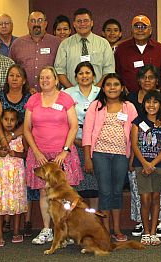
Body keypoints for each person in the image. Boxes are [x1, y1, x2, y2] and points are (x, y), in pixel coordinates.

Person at [23, 66, 83, 245]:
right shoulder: (33, 100)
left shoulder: (66, 99)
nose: (45, 80)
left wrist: (65, 150)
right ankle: (47, 230)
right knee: (44, 192)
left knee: (64, 193)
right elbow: (27, 129)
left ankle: (65, 230)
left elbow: (74, 126)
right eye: (42, 78)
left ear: (56, 80)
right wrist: (36, 151)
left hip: (62, 155)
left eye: (48, 77)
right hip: (40, 155)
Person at [128, 65, 161, 239]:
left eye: (151, 77)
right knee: (141, 195)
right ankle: (142, 224)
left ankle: (156, 224)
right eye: (144, 77)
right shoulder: (132, 100)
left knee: (158, 194)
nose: (147, 80)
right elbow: (133, 140)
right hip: (140, 160)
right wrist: (141, 162)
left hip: (159, 160)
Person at [82, 73, 137, 242]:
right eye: (108, 85)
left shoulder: (129, 107)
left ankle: (117, 229)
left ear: (122, 88)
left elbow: (136, 135)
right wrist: (87, 158)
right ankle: (105, 230)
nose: (112, 88)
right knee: (104, 191)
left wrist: (132, 158)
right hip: (100, 154)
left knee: (117, 191)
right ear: (103, 88)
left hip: (121, 155)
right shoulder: (96, 106)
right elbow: (86, 133)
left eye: (116, 84)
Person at [0, 65, 33, 236]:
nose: (14, 78)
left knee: (20, 186)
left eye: (18, 76)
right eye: (11, 75)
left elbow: (28, 122)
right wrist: (2, 139)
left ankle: (26, 222)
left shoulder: (30, 96)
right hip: (2, 138)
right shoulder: (0, 95)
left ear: (24, 80)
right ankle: (6, 222)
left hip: (24, 136)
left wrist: (11, 137)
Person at [131, 90, 161, 246]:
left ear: (160, 105)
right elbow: (134, 144)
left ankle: (154, 232)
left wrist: (153, 164)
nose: (151, 105)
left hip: (159, 166)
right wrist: (145, 163)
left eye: (155, 102)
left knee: (156, 198)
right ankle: (146, 232)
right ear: (144, 104)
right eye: (148, 102)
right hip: (141, 166)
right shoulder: (137, 121)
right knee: (145, 199)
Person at [64, 62, 100, 208]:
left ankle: (94, 218)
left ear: (93, 75)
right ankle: (77, 218)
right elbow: (62, 120)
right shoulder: (67, 94)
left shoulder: (101, 92)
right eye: (80, 73)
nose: (84, 76)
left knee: (95, 184)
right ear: (75, 77)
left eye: (87, 73)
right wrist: (76, 140)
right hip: (74, 141)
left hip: (97, 144)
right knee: (76, 184)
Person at [0, 108, 28, 247]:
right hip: (0, 174)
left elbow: (26, 154)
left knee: (16, 201)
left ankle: (16, 231)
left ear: (17, 121)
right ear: (1, 121)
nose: (9, 122)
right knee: (0, 202)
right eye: (6, 119)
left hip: (16, 173)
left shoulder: (21, 136)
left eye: (12, 120)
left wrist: (16, 154)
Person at [55, 8, 115, 88]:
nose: (82, 24)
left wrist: (96, 91)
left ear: (92, 23)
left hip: (98, 94)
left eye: (86, 21)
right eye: (79, 21)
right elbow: (59, 71)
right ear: (74, 24)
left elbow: (108, 71)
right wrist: (73, 91)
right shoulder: (65, 44)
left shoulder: (103, 43)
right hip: (72, 95)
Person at [10, 11, 62, 93]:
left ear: (45, 24)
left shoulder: (57, 43)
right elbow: (12, 70)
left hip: (50, 94)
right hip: (24, 94)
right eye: (33, 21)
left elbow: (61, 69)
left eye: (40, 20)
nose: (36, 24)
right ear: (27, 24)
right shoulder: (17, 44)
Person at [114, 15, 161, 93]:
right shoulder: (121, 49)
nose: (140, 30)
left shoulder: (159, 49)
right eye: (137, 27)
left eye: (144, 27)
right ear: (131, 30)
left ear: (150, 30)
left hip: (154, 99)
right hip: (128, 98)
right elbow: (116, 73)